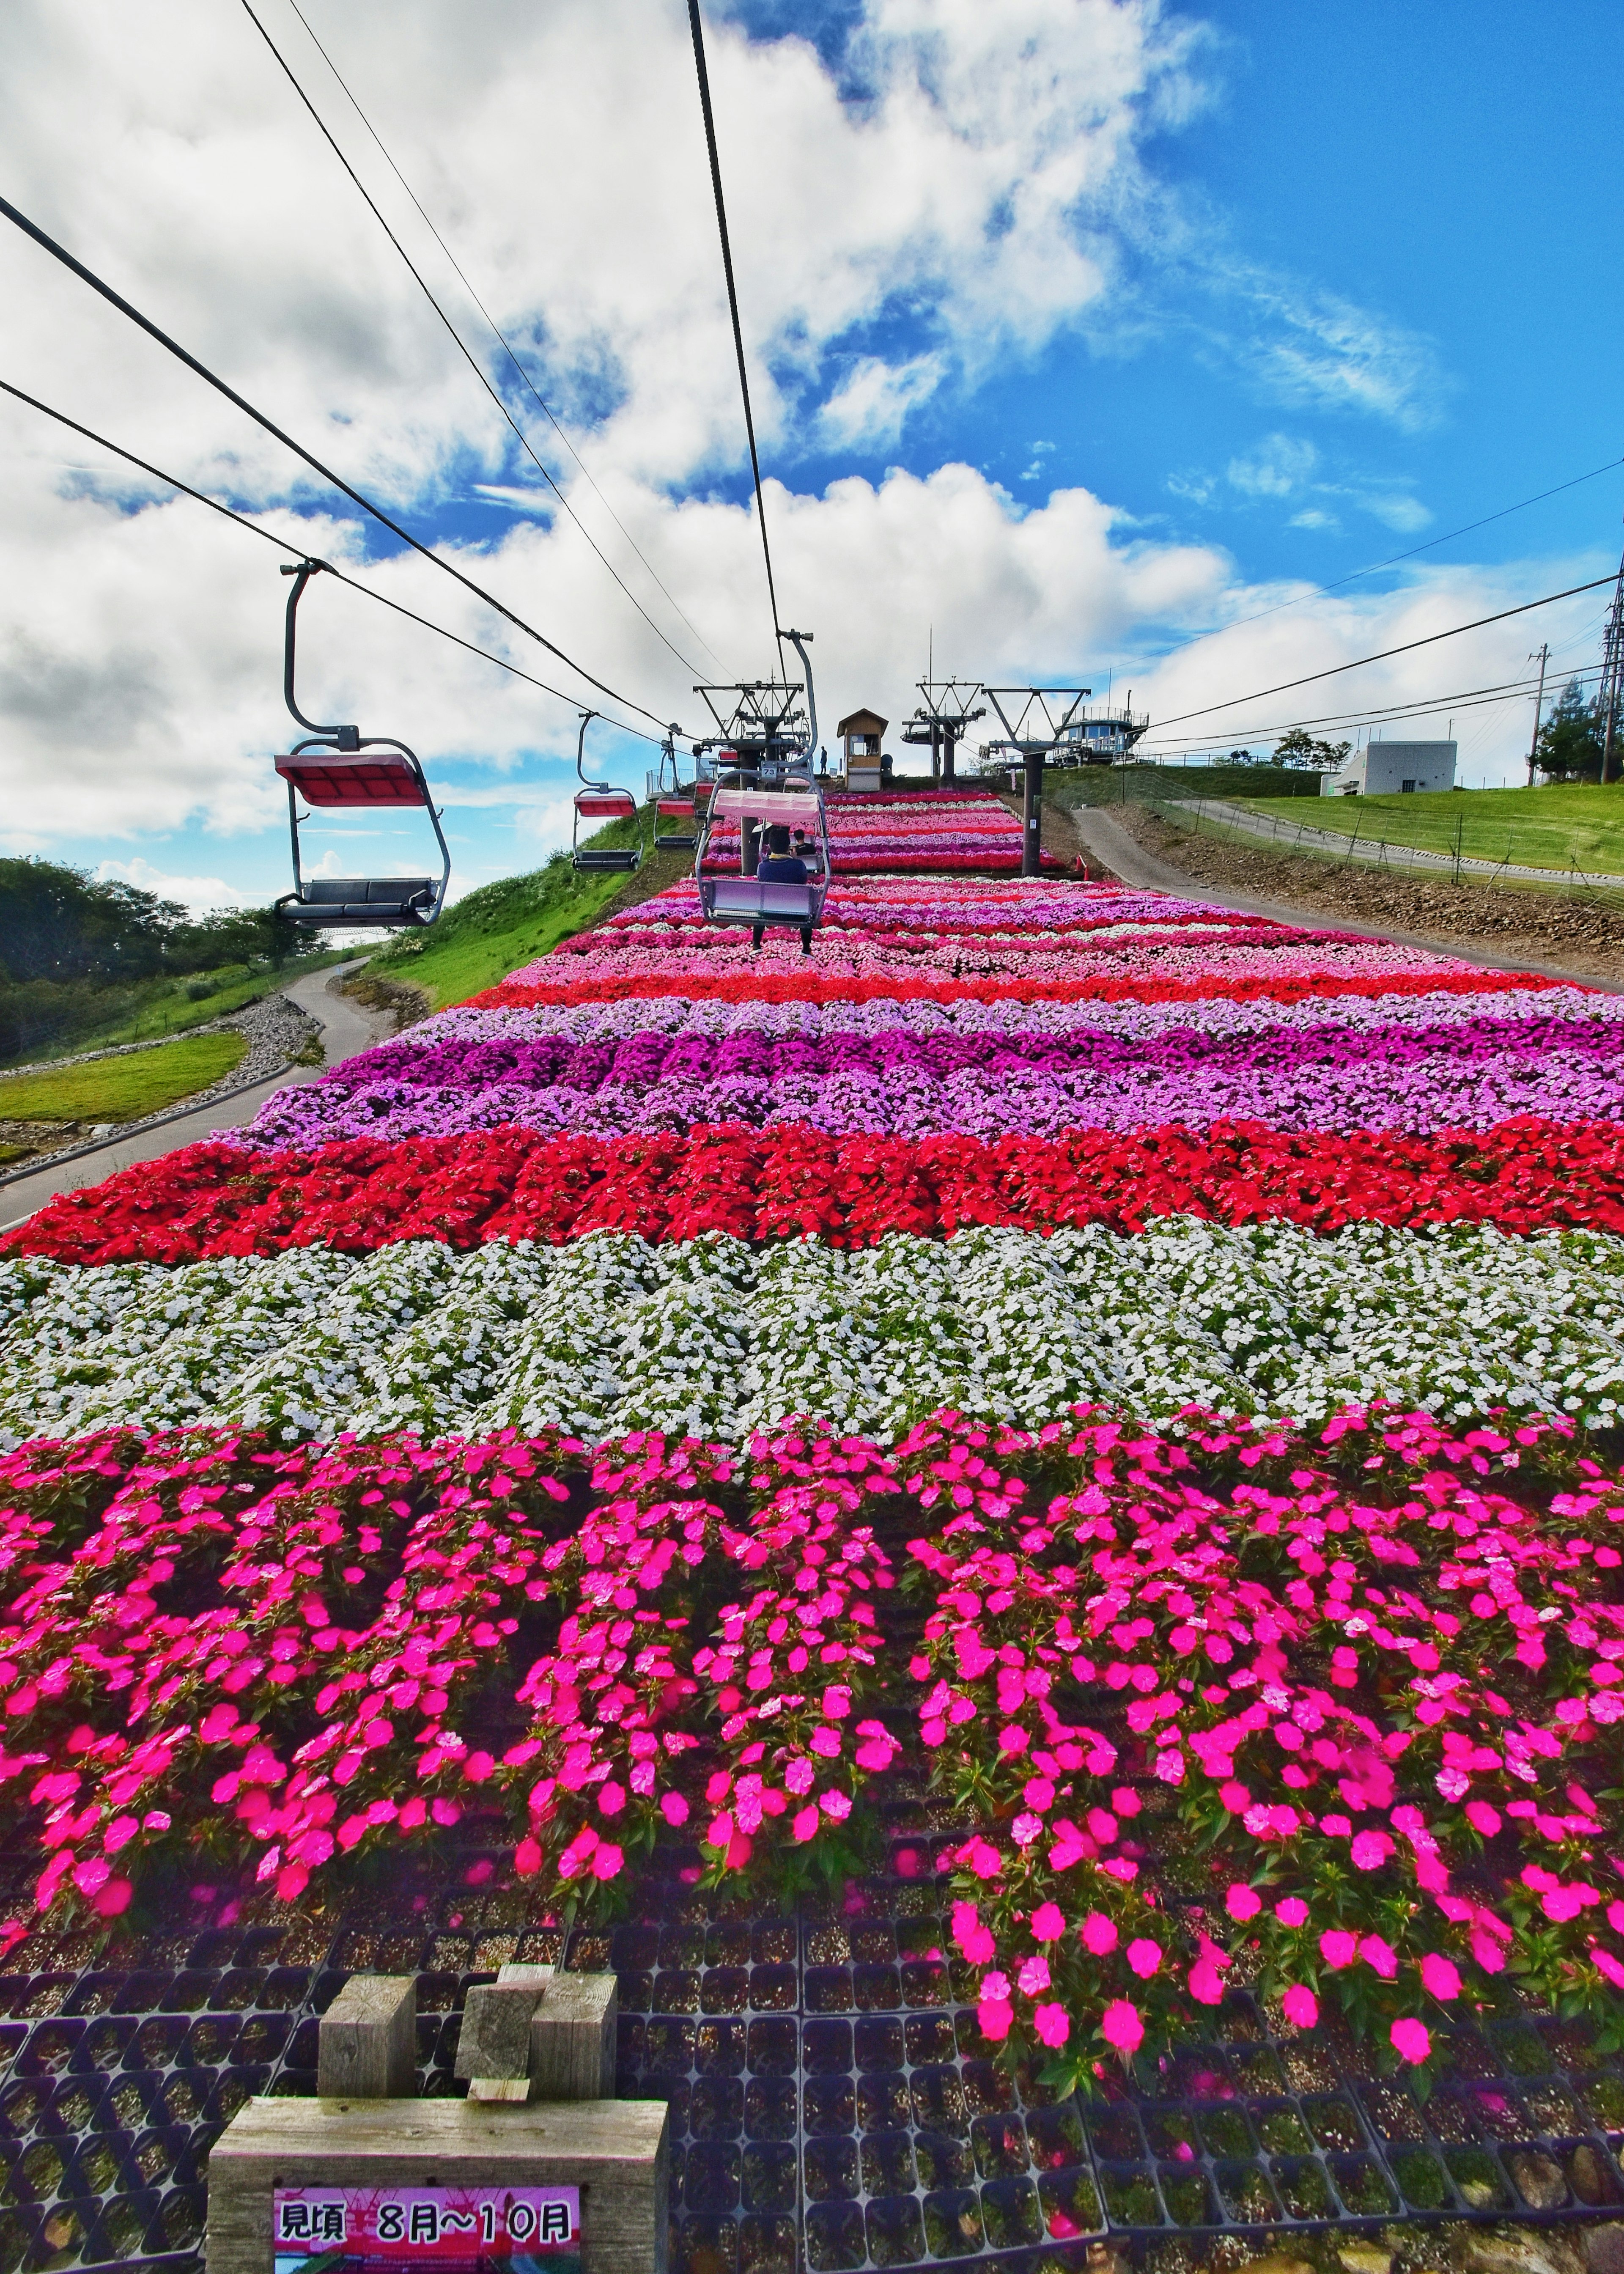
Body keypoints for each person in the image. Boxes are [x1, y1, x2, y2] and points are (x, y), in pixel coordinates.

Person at [751, 823, 812, 951]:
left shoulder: (763, 867)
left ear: (771, 847)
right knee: (806, 908)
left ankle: (756, 944)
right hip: (797, 913)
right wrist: (794, 860)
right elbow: (803, 881)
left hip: (768, 913)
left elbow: (761, 881)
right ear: (788, 846)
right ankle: (806, 948)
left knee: (760, 908)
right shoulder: (799, 865)